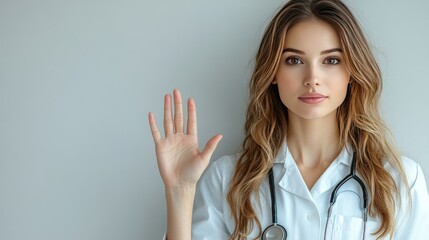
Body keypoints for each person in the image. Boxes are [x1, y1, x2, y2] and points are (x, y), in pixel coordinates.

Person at [148, 0, 429, 239]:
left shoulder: (400, 181)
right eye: (294, 60)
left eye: (331, 61)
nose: (312, 79)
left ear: (352, 72)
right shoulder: (228, 180)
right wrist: (180, 192)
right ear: (272, 72)